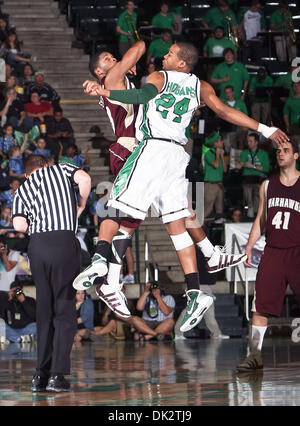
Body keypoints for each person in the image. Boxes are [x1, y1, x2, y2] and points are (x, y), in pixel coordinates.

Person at [81, 41, 288, 332]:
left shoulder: (158, 77)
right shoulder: (200, 86)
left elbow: (142, 92)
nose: (164, 55)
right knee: (178, 224)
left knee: (118, 210)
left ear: (180, 63)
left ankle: (103, 265)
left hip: (151, 149)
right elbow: (225, 112)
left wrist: (104, 90)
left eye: (170, 54)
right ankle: (195, 292)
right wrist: (265, 128)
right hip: (178, 156)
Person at [12, 154, 91, 392]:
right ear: (45, 165)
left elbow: (19, 226)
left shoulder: (23, 188)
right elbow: (85, 179)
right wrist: (81, 204)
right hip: (62, 242)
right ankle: (57, 375)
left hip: (38, 246)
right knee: (65, 309)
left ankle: (40, 375)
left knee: (44, 310)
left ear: (27, 173)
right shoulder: (61, 169)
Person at [237, 138, 300, 371]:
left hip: (297, 251)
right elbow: (260, 220)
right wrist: (249, 246)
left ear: (296, 156)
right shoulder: (267, 185)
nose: (280, 154)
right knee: (260, 306)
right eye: (278, 151)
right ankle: (255, 355)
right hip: (273, 251)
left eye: (286, 151)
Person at [236, 132, 270, 219]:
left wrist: (253, 166)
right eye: (248, 141)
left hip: (259, 180)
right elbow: (240, 164)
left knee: (258, 199)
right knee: (248, 198)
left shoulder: (263, 153)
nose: (248, 143)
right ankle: (249, 214)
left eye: (251, 141)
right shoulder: (244, 152)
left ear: (256, 142)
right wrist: (239, 165)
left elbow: (266, 168)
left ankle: (257, 215)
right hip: (247, 179)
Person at [203, 131, 227, 220]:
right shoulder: (208, 153)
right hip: (210, 185)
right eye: (220, 141)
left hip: (219, 184)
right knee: (206, 209)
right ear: (215, 143)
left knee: (219, 209)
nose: (222, 142)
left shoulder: (220, 154)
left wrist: (222, 157)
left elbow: (225, 169)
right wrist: (217, 154)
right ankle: (199, 228)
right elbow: (216, 165)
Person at [222, 84, 248, 151]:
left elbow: (246, 117)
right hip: (227, 127)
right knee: (228, 144)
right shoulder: (223, 104)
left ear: (233, 92)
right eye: (226, 92)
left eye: (229, 92)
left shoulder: (240, 103)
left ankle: (240, 155)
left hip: (239, 126)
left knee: (244, 131)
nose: (228, 94)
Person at [283, 82, 300, 149]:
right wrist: (287, 126)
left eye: (298, 85)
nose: (296, 87)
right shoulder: (289, 100)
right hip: (294, 127)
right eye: (294, 86)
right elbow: (285, 114)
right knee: (296, 144)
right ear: (292, 88)